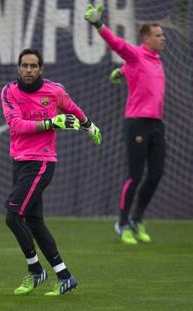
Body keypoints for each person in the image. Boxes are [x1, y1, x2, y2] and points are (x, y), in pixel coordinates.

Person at [0, 48, 102, 296]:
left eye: (33, 66)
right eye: (24, 65)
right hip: (20, 161)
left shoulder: (54, 90)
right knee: (34, 222)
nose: (28, 70)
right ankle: (65, 276)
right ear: (18, 67)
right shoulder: (8, 91)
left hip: (42, 162)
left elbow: (71, 107)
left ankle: (36, 271)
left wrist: (89, 126)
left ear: (41, 69)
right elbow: (17, 125)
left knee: (13, 216)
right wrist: (51, 122)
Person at [85, 4, 166, 245]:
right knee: (135, 175)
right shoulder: (136, 53)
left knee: (156, 173)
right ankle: (122, 223)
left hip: (156, 125)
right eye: (158, 35)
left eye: (163, 34)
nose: (163, 38)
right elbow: (117, 45)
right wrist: (99, 24)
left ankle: (136, 220)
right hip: (137, 124)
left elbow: (136, 70)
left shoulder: (155, 59)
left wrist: (121, 72)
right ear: (146, 38)